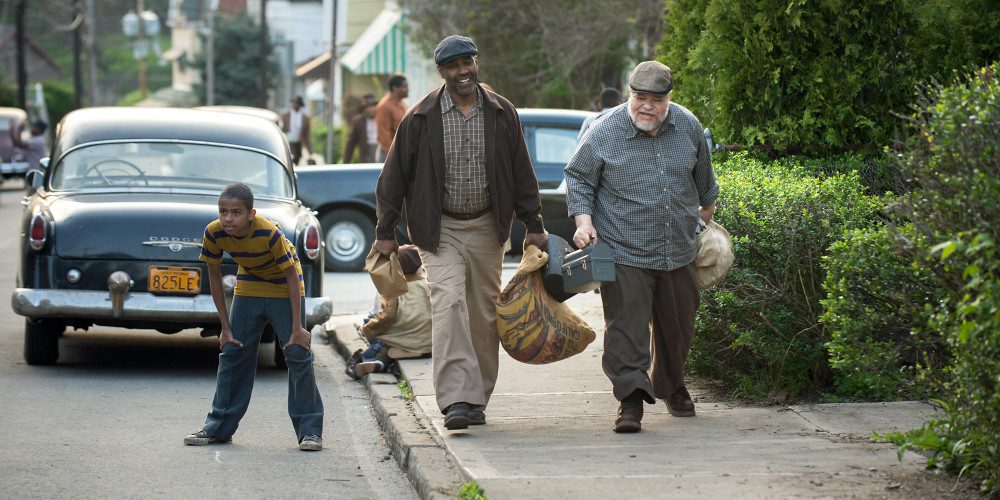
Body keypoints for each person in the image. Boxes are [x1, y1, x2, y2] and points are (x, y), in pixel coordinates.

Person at [373, 34, 548, 430]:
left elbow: (522, 171)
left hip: (488, 224)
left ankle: (478, 396)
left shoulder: (502, 112)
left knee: (484, 312)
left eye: (467, 63)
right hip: (440, 227)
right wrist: (385, 231)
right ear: (442, 72)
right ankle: (456, 399)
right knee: (449, 302)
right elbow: (393, 177)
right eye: (453, 66)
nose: (462, 72)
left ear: (476, 63)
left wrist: (533, 225)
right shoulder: (421, 117)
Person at [564, 60, 719, 433]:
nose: (645, 106)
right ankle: (630, 400)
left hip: (677, 248)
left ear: (669, 99)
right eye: (639, 97)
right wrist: (583, 222)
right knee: (626, 329)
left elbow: (706, 186)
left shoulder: (688, 126)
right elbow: (578, 178)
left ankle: (671, 386)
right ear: (629, 94)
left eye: (655, 99)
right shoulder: (605, 131)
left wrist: (701, 221)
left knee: (677, 328)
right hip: (625, 249)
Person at [184, 183, 324, 451]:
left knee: (297, 353)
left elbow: (292, 276)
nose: (228, 218)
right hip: (250, 283)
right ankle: (218, 427)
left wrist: (298, 328)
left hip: (286, 285)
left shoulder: (268, 232)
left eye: (236, 212)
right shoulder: (214, 233)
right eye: (223, 211)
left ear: (251, 213)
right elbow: (213, 278)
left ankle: (310, 431)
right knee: (233, 352)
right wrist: (225, 328)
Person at [346, 244, 432, 379]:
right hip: (429, 340)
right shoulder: (429, 285)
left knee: (377, 332)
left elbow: (387, 316)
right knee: (394, 339)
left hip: (404, 335)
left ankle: (369, 358)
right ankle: (382, 362)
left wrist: (368, 329)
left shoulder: (394, 289)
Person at [374, 75, 409, 161]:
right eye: (404, 87)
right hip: (389, 155)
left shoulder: (402, 104)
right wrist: (394, 157)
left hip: (400, 152)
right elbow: (384, 136)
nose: (408, 89)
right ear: (394, 88)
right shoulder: (384, 106)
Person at [343, 94, 379, 163]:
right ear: (364, 109)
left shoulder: (382, 118)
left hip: (381, 153)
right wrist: (345, 162)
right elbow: (350, 144)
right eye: (369, 107)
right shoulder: (358, 121)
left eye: (374, 106)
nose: (372, 109)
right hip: (366, 155)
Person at [281, 96, 312, 166]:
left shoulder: (305, 118)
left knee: (297, 159)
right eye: (294, 103)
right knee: (288, 158)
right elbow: (281, 127)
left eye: (297, 104)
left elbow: (307, 135)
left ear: (300, 105)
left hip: (298, 142)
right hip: (288, 141)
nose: (296, 105)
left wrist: (310, 150)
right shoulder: (286, 115)